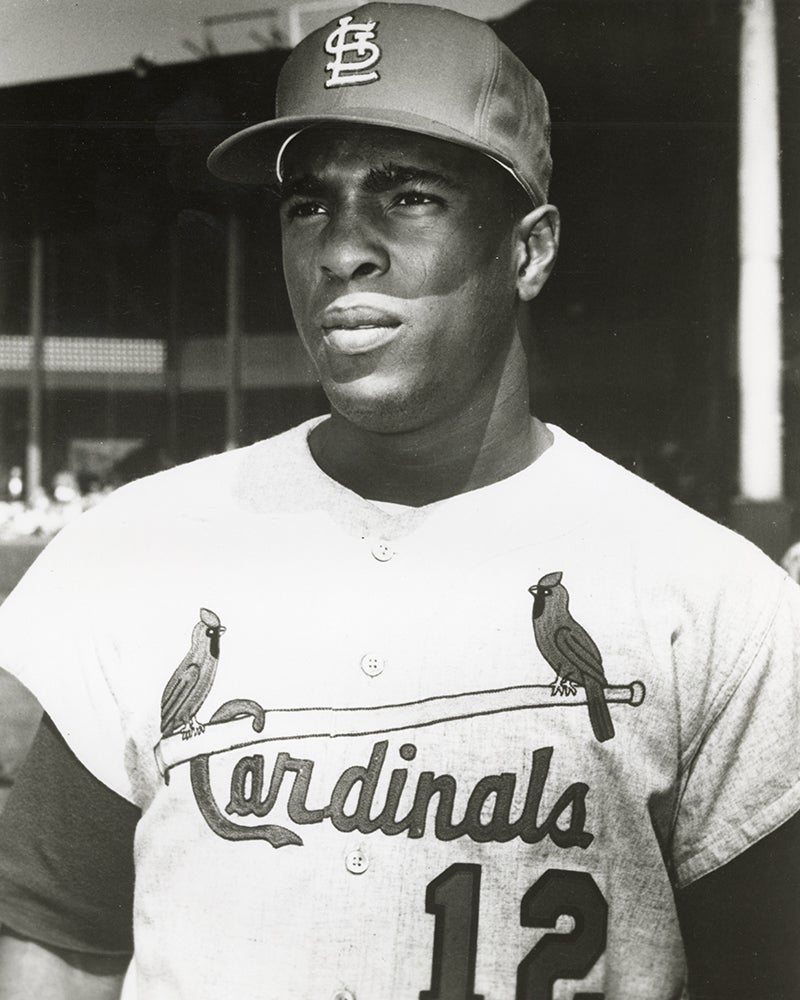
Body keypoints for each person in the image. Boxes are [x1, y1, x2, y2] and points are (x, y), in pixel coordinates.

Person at [0, 5, 797, 998]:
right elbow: (57, 943)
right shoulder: (141, 548)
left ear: (529, 250)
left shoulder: (708, 598)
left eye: (408, 195)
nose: (340, 249)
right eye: (307, 206)